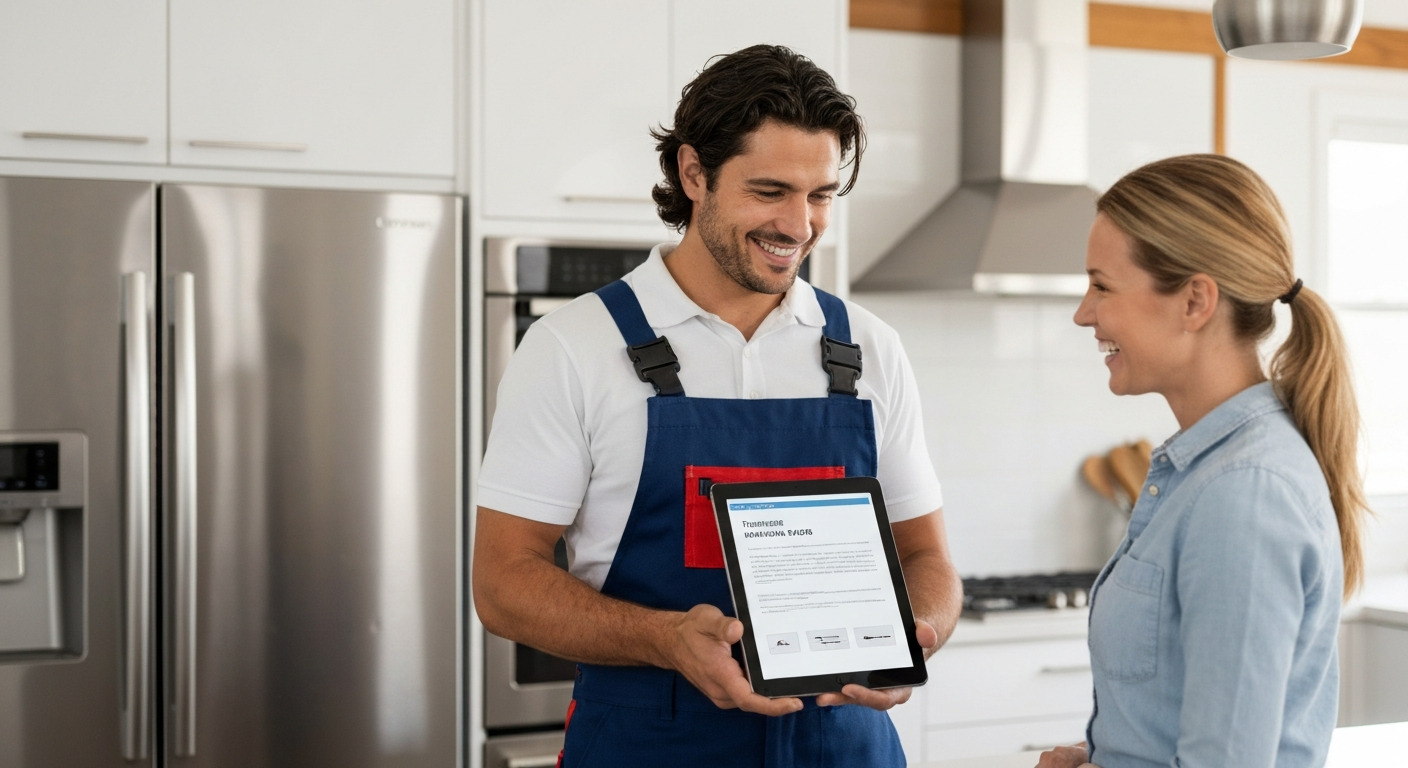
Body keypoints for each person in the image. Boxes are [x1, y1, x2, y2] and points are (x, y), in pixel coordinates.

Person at [473, 44, 963, 767]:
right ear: (694, 173)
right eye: (770, 191)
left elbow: (927, 557)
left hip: (844, 746)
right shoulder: (574, 348)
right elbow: (503, 582)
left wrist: (912, 631)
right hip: (649, 742)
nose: (800, 226)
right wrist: (665, 638)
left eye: (821, 194)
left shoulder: (868, 348)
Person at [1039, 154, 1367, 768]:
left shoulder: (1244, 493)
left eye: (1102, 285)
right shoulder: (1201, 472)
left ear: (1194, 302)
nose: (1085, 312)